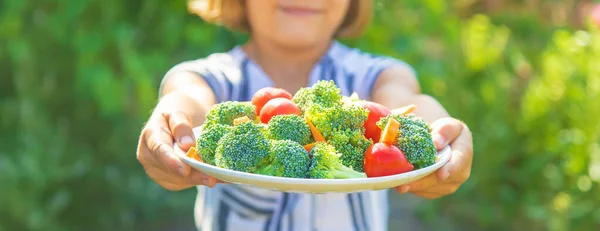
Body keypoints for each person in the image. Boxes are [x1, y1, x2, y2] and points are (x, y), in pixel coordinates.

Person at [136, 0, 473, 230]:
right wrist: (172, 118)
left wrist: (439, 133)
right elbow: (186, 97)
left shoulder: (376, 75)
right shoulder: (214, 78)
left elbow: (407, 100)